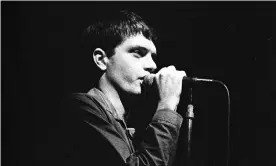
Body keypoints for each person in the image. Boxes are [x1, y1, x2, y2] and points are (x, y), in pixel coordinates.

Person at [56, 10, 187, 166]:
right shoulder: (81, 108)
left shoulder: (123, 123)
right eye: (138, 52)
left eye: (153, 57)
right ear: (101, 60)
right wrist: (166, 106)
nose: (152, 65)